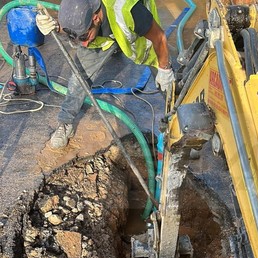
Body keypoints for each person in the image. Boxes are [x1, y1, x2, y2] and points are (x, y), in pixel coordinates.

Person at [36, 0, 174, 149]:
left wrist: (165, 70)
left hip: (134, 30)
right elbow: (73, 29)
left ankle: (176, 119)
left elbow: (159, 38)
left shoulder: (129, 10)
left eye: (83, 37)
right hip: (103, 37)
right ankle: (65, 123)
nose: (83, 44)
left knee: (166, 79)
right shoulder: (81, 7)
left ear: (95, 17)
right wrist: (56, 26)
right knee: (79, 78)